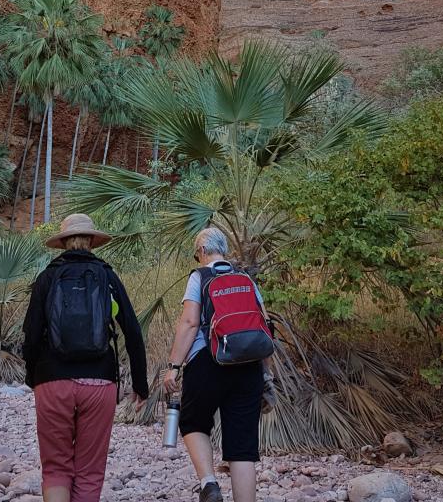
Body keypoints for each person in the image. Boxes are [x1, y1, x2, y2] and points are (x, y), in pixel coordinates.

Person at [22, 214, 150, 502]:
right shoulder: (106, 276)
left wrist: (34, 377)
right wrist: (140, 385)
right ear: (92, 241)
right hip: (100, 381)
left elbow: (30, 334)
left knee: (55, 468)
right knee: (90, 472)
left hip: (52, 381)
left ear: (63, 243)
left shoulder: (47, 277)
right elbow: (131, 330)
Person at [163, 227, 273, 502]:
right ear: (224, 249)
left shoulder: (199, 277)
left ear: (201, 251)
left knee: (193, 422)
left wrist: (174, 366)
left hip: (208, 362)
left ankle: (209, 483)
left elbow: (190, 322)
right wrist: (266, 373)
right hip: (249, 366)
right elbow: (264, 325)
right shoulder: (245, 277)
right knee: (242, 447)